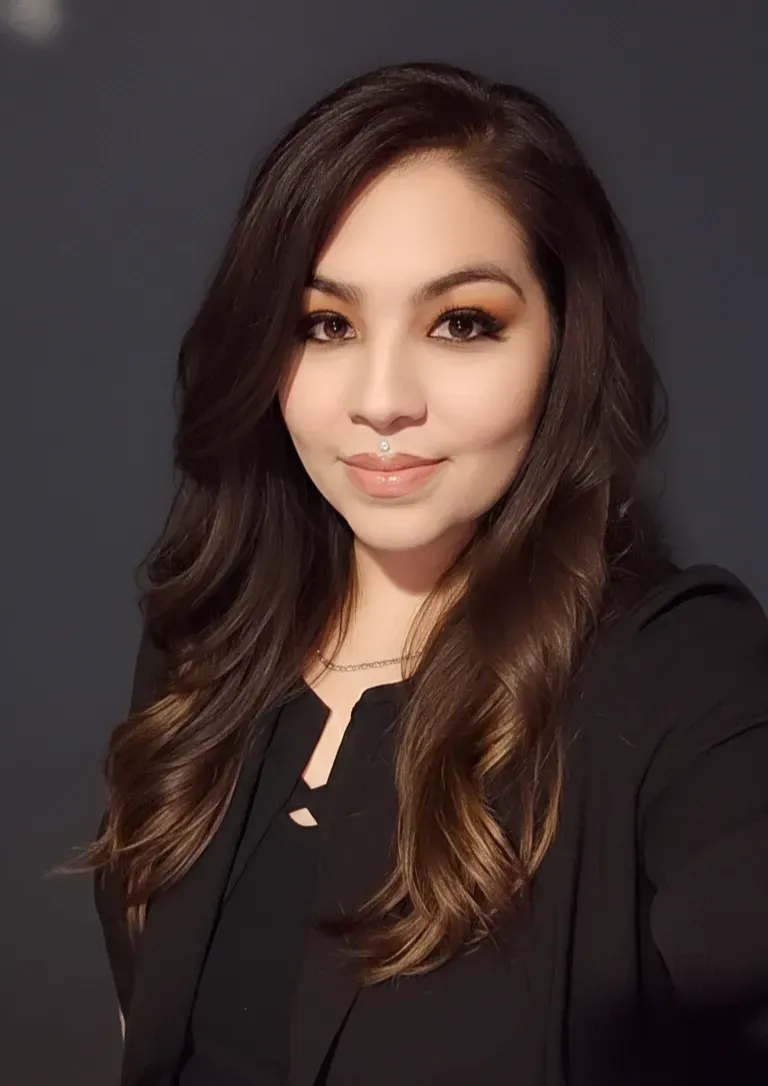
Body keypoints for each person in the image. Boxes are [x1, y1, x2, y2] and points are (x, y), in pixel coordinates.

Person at [69, 60, 768, 1084]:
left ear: (563, 345)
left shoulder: (677, 674)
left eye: (462, 323)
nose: (383, 398)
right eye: (327, 325)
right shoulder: (210, 642)